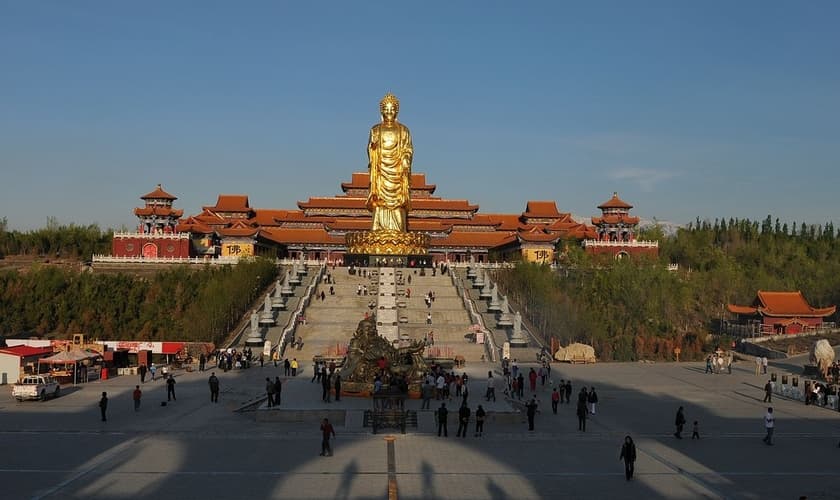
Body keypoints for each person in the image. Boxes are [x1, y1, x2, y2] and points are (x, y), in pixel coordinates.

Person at [366, 92, 413, 232]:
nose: (389, 112)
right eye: (386, 109)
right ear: (382, 111)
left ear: (396, 110)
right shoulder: (375, 129)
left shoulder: (404, 130)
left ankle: (399, 229)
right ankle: (378, 227)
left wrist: (405, 160)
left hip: (397, 173)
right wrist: (373, 148)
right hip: (381, 171)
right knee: (380, 203)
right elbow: (370, 148)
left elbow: (408, 149)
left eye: (392, 109)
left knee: (397, 204)